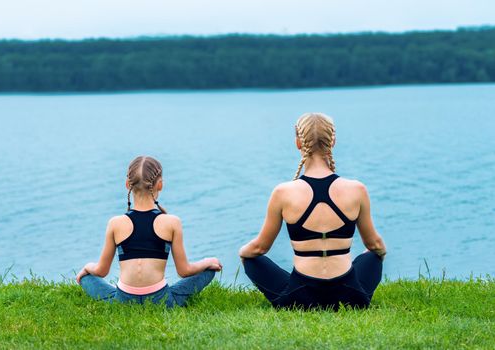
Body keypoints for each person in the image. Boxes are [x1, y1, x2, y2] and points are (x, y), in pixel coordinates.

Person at [239, 113, 386, 310]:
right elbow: (374, 243)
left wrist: (243, 253)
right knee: (372, 254)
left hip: (299, 298)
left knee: (250, 258)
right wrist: (378, 252)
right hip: (351, 296)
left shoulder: (283, 192)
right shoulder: (356, 189)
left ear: (298, 143)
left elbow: (259, 248)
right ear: (333, 141)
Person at [76, 156, 222, 307]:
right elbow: (184, 271)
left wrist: (88, 267)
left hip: (122, 301)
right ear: (160, 185)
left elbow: (101, 271)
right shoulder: (172, 222)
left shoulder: (115, 223)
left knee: (87, 278)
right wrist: (207, 262)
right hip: (162, 300)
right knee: (209, 270)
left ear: (128, 184)